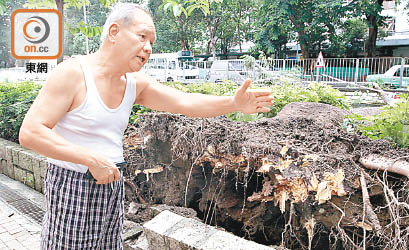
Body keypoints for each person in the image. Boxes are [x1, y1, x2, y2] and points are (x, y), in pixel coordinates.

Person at [18, 2, 273, 250]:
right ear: (114, 32)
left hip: (111, 183)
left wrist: (234, 103)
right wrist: (89, 159)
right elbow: (31, 132)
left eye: (152, 42)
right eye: (142, 37)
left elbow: (185, 101)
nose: (148, 48)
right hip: (74, 183)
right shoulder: (73, 73)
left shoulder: (134, 83)